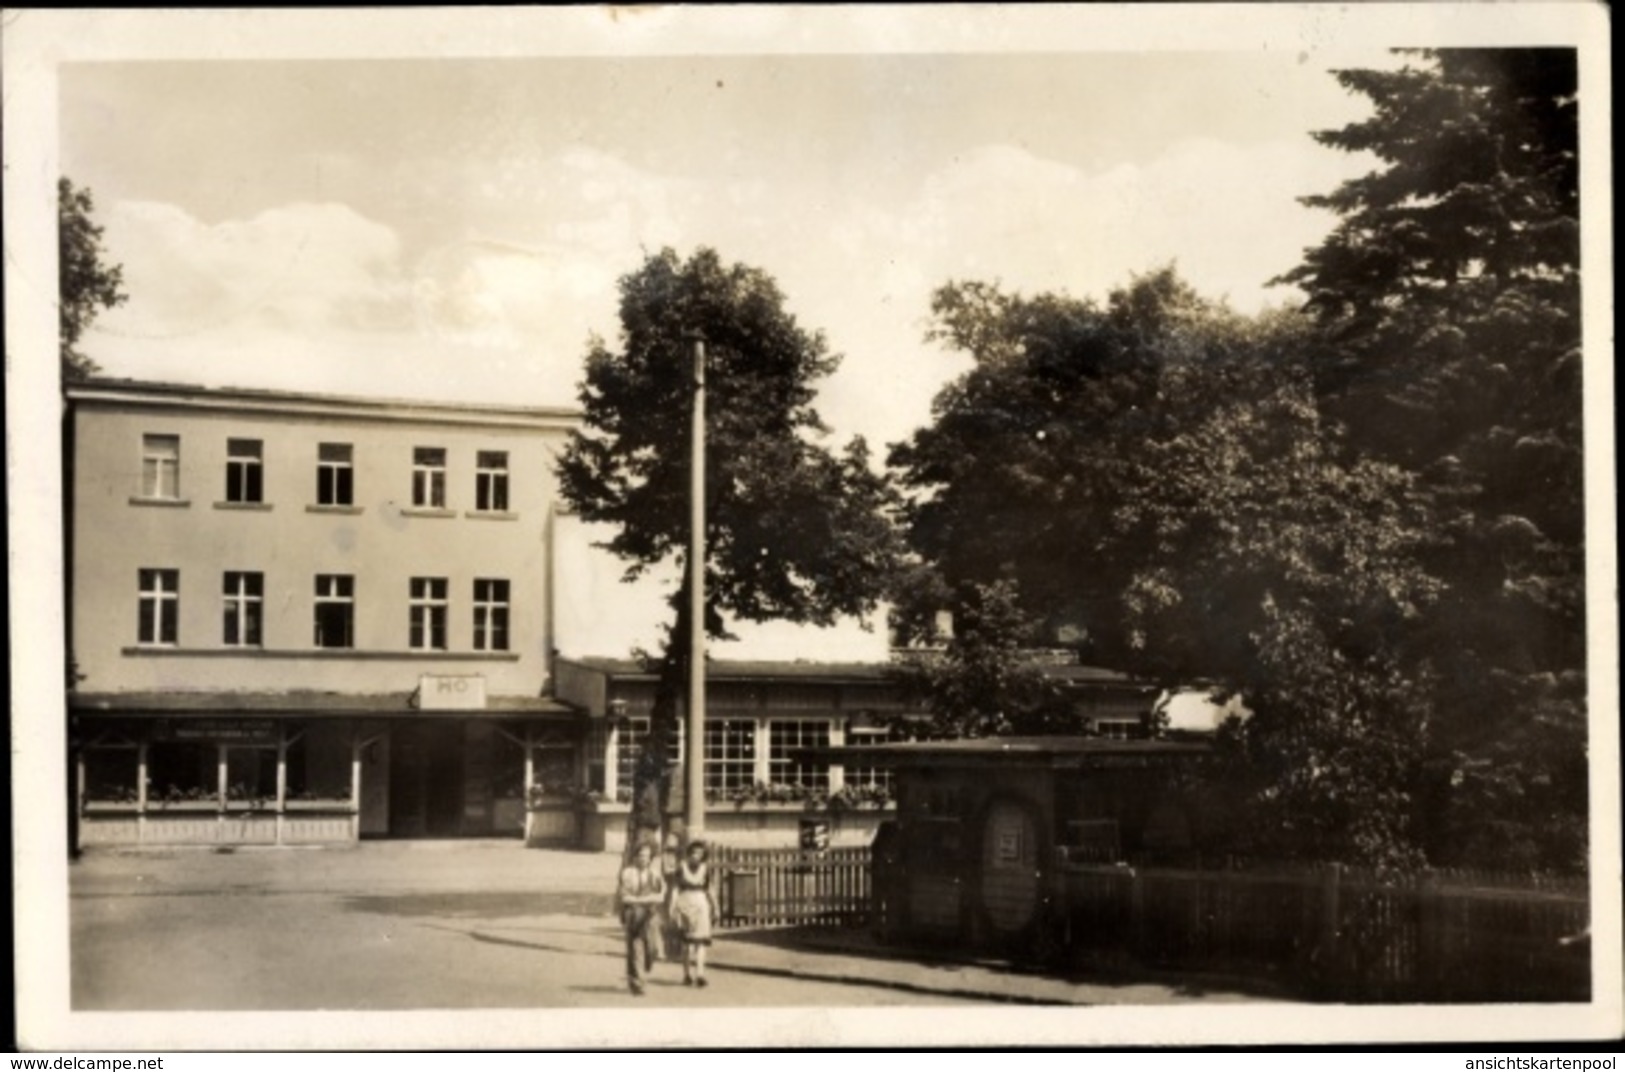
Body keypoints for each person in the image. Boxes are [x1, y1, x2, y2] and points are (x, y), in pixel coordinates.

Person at [617, 840, 666, 996]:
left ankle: (641, 971)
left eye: (647, 856)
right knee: (636, 948)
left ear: (651, 858)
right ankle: (638, 982)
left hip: (651, 916)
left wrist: (643, 899)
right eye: (641, 855)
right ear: (635, 857)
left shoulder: (655, 874)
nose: (644, 859)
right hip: (633, 915)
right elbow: (624, 897)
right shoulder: (628, 873)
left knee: (652, 949)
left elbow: (661, 897)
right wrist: (645, 900)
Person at [670, 839, 717, 987]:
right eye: (694, 852)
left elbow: (710, 889)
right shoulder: (681, 868)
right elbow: (675, 889)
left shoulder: (706, 869)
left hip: (701, 903)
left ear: (704, 855)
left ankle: (700, 974)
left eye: (700, 853)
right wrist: (672, 906)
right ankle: (686, 974)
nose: (696, 856)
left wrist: (716, 906)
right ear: (689, 853)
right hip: (685, 903)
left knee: (701, 942)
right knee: (687, 944)